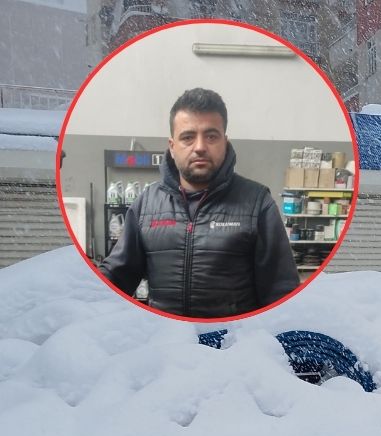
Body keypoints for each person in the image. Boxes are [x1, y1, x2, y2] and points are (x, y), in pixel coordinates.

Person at [99, 88, 299, 318]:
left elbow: (282, 294)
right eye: (188, 137)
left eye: (211, 136)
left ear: (225, 142)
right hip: (165, 345)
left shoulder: (257, 204)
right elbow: (114, 278)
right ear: (172, 147)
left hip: (231, 347)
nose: (200, 147)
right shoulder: (146, 205)